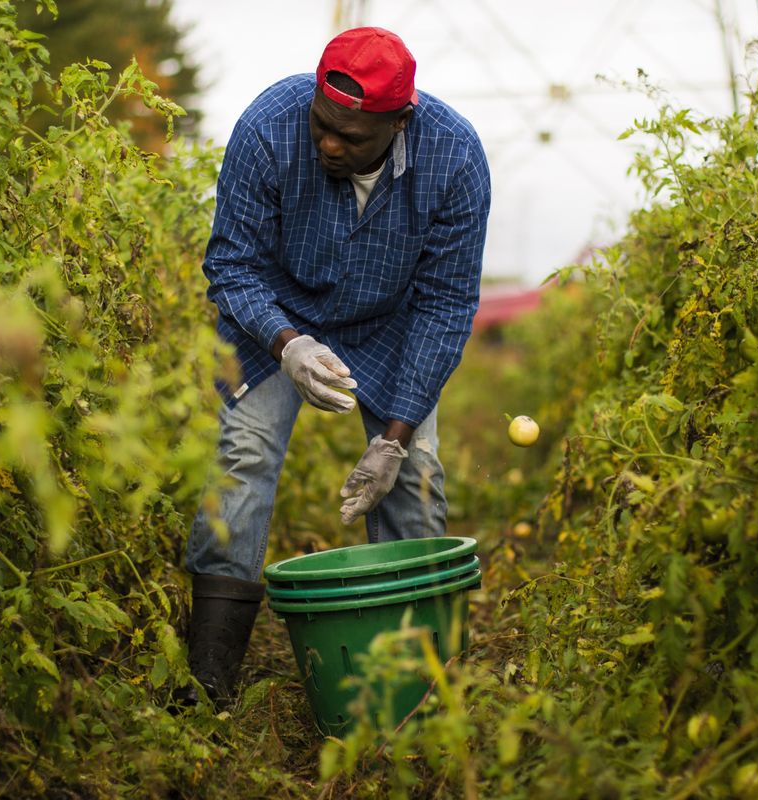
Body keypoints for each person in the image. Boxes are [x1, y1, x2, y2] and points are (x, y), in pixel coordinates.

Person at [181, 26, 491, 708]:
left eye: (351, 138)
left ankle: (418, 696)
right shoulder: (268, 127)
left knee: (413, 483)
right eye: (323, 126)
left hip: (395, 323)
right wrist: (287, 343)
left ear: (399, 122)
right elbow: (231, 266)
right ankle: (206, 689)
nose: (329, 144)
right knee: (242, 457)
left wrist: (394, 439)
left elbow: (444, 306)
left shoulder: (456, 157)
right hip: (274, 317)